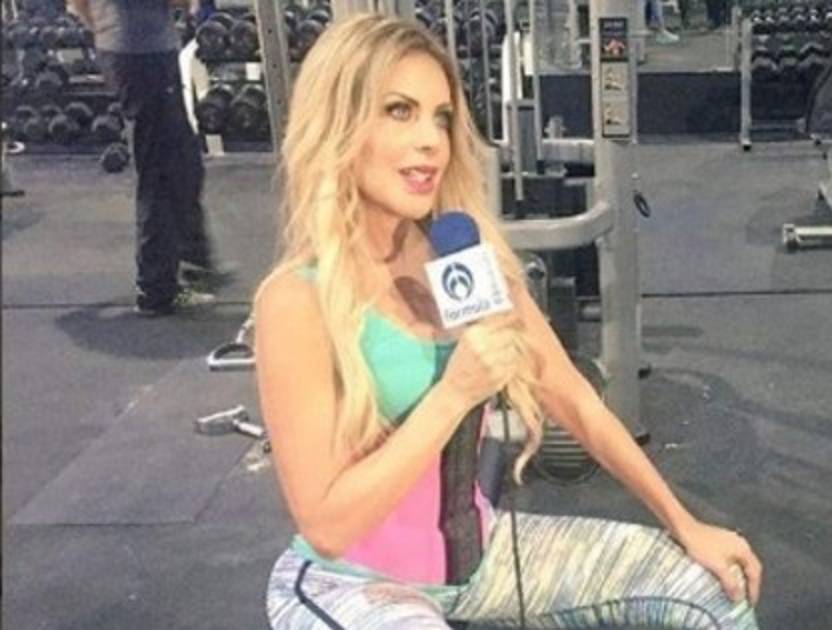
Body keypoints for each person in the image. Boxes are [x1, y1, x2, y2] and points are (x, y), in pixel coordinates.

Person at [255, 13, 761, 629]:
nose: (431, 141)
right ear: (338, 125)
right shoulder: (296, 301)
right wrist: (454, 394)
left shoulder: (463, 260)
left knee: (716, 592)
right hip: (352, 584)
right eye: (399, 111)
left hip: (480, 559)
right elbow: (328, 526)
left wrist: (685, 523)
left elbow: (574, 400)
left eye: (441, 117)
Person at [67, 0, 228, 316]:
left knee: (185, 162)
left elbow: (76, 6)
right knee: (159, 174)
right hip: (142, 56)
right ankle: (156, 290)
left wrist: (106, 31)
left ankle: (193, 259)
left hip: (135, 52)